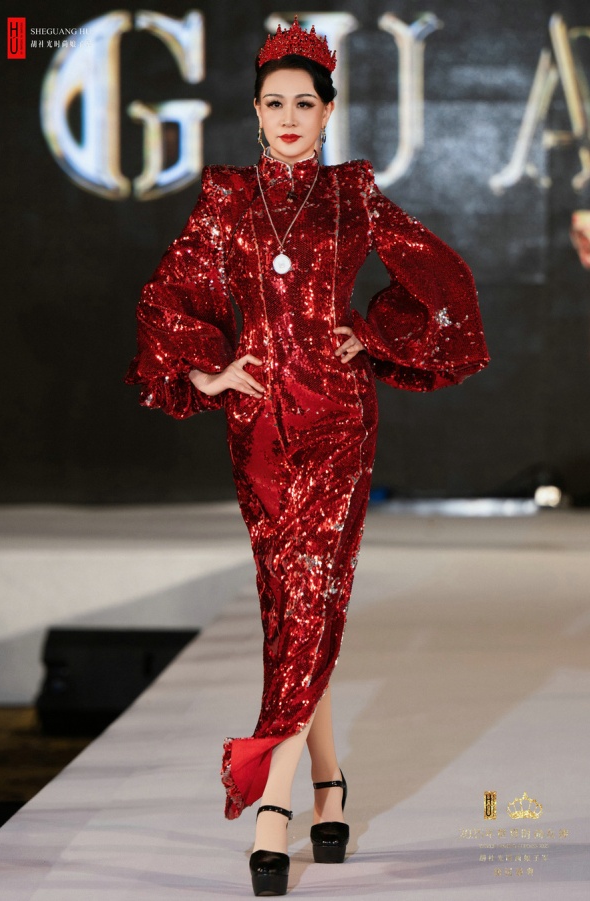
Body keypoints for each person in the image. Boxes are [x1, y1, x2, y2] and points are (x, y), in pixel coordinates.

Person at [125, 17, 489, 896]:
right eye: (274, 102)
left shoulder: (351, 196)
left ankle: (273, 807)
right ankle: (330, 782)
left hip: (337, 423)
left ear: (328, 112)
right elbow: (167, 294)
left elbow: (443, 276)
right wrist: (209, 371)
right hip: (257, 426)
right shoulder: (226, 200)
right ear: (256, 111)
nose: (289, 117)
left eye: (304, 103)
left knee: (311, 592)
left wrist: (370, 333)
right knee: (291, 605)